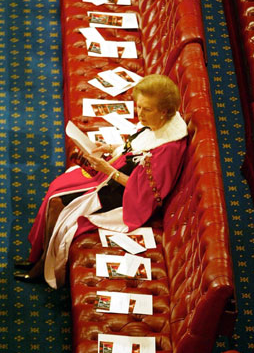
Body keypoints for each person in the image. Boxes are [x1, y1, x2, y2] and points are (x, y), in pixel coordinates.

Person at [14, 74, 188, 288]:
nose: (139, 114)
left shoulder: (168, 148)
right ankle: (39, 255)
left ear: (163, 111)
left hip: (127, 199)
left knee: (60, 205)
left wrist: (109, 170)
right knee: (58, 187)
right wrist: (113, 149)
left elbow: (147, 192)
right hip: (113, 176)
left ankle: (43, 266)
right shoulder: (157, 122)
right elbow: (136, 148)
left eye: (146, 109)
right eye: (138, 107)